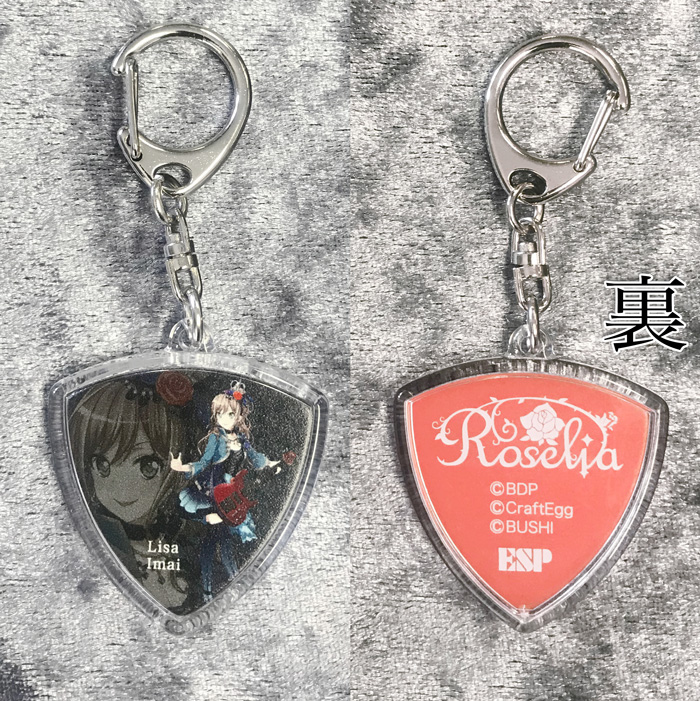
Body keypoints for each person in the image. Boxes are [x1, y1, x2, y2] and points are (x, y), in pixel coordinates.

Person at [68, 376, 192, 611]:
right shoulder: (98, 542)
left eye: (147, 466)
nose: (121, 487)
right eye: (102, 465)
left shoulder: (185, 538)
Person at [171, 381, 280, 600]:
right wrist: (183, 467)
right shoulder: (215, 438)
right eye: (220, 413)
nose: (225, 418)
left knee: (220, 540)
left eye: (230, 414)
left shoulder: (241, 439)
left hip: (232, 495)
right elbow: (204, 462)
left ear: (239, 416)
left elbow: (255, 458)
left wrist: (270, 463)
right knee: (217, 540)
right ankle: (217, 587)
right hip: (214, 494)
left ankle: (220, 587)